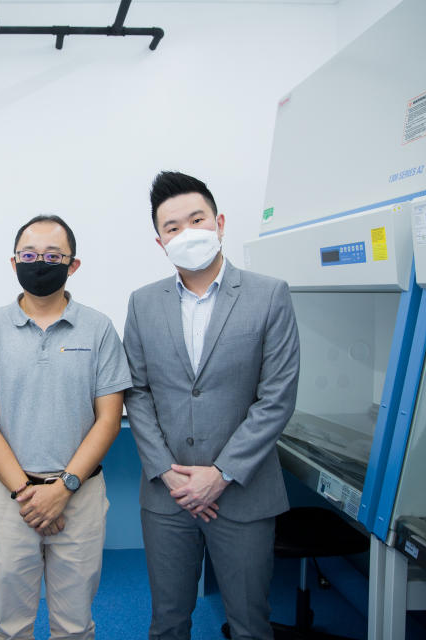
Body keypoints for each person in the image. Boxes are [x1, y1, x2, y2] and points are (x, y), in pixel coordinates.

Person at [123, 171, 300, 640]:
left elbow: (277, 396)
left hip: (242, 492)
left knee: (249, 625)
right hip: (168, 494)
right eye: (172, 227)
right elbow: (136, 392)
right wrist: (166, 471)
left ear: (219, 222)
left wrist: (219, 474)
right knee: (167, 623)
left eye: (196, 219)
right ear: (159, 240)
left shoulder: (269, 295)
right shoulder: (142, 304)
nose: (186, 233)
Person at [0, 215, 132, 640]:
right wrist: (25, 493)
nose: (40, 263)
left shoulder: (99, 328)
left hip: (80, 495)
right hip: (11, 498)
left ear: (73, 265)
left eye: (53, 256)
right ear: (13, 261)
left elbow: (109, 418)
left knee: (74, 626)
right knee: (10, 627)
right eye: (30, 255)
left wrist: (63, 488)